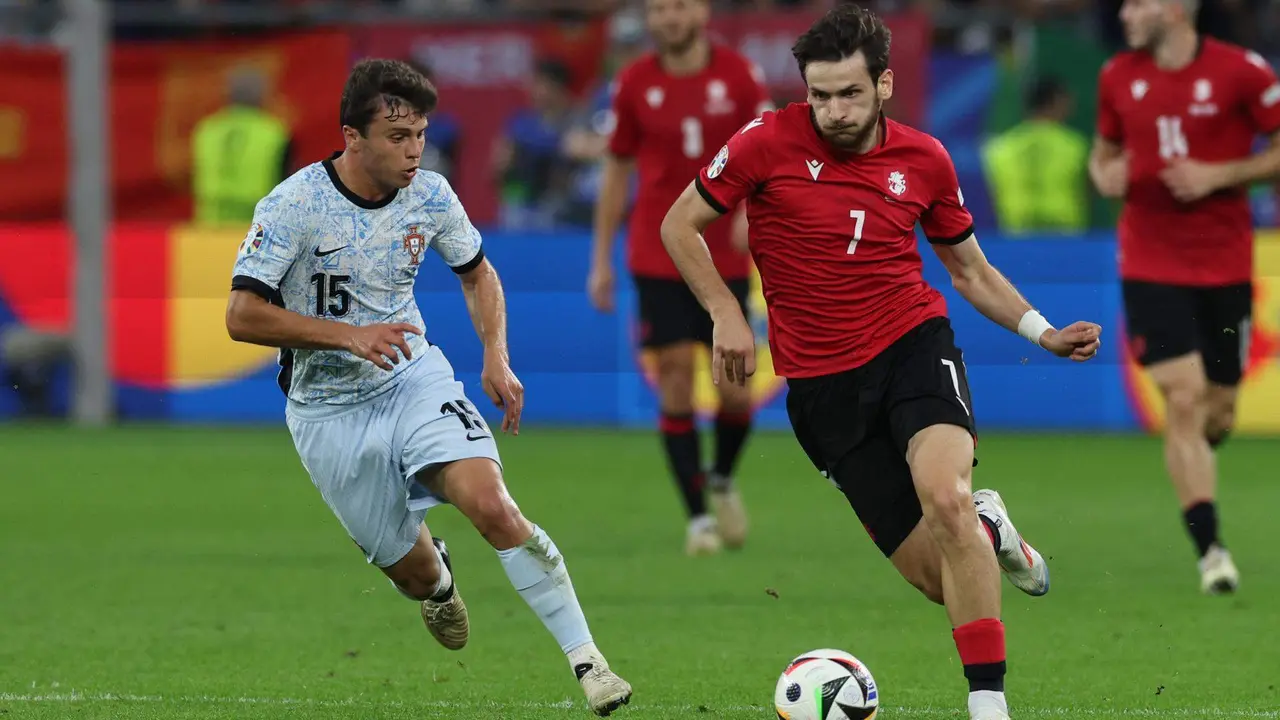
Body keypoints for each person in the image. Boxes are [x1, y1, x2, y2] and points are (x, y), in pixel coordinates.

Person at [660, 7, 1101, 720]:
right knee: (941, 574)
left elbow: (968, 270)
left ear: (884, 84)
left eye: (850, 94)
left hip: (911, 349)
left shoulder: (925, 159)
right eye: (820, 94)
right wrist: (725, 311)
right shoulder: (763, 142)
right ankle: (993, 532)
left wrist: (1042, 332)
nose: (833, 110)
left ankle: (988, 704)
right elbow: (679, 223)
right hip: (821, 391)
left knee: (945, 496)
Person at [223, 59, 632, 717]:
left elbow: (478, 273)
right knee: (412, 578)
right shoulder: (294, 206)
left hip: (413, 379)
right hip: (327, 413)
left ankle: (591, 665)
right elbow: (241, 316)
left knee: (491, 503)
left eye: (419, 133)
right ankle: (439, 580)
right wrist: (346, 335)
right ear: (352, 138)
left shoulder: (433, 196)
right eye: (397, 136)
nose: (415, 150)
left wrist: (497, 357)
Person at [1089, 0, 1280, 594]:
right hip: (1148, 260)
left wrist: (1217, 175)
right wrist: (1105, 175)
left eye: (1138, 3)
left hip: (1223, 266)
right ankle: (1211, 550)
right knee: (1184, 396)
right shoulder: (1116, 76)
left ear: (1176, 9)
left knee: (1218, 412)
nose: (1124, 14)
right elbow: (1103, 154)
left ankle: (1206, 486)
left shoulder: (1244, 73)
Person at [589, 0, 774, 556]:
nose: (669, 18)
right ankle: (698, 520)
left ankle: (720, 475)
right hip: (656, 250)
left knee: (734, 392)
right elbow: (617, 171)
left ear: (702, 12)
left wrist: (750, 211)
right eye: (659, 9)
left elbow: (771, 151)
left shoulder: (739, 76)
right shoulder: (633, 84)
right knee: (672, 375)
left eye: (680, 6)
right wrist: (601, 256)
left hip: (723, 257)